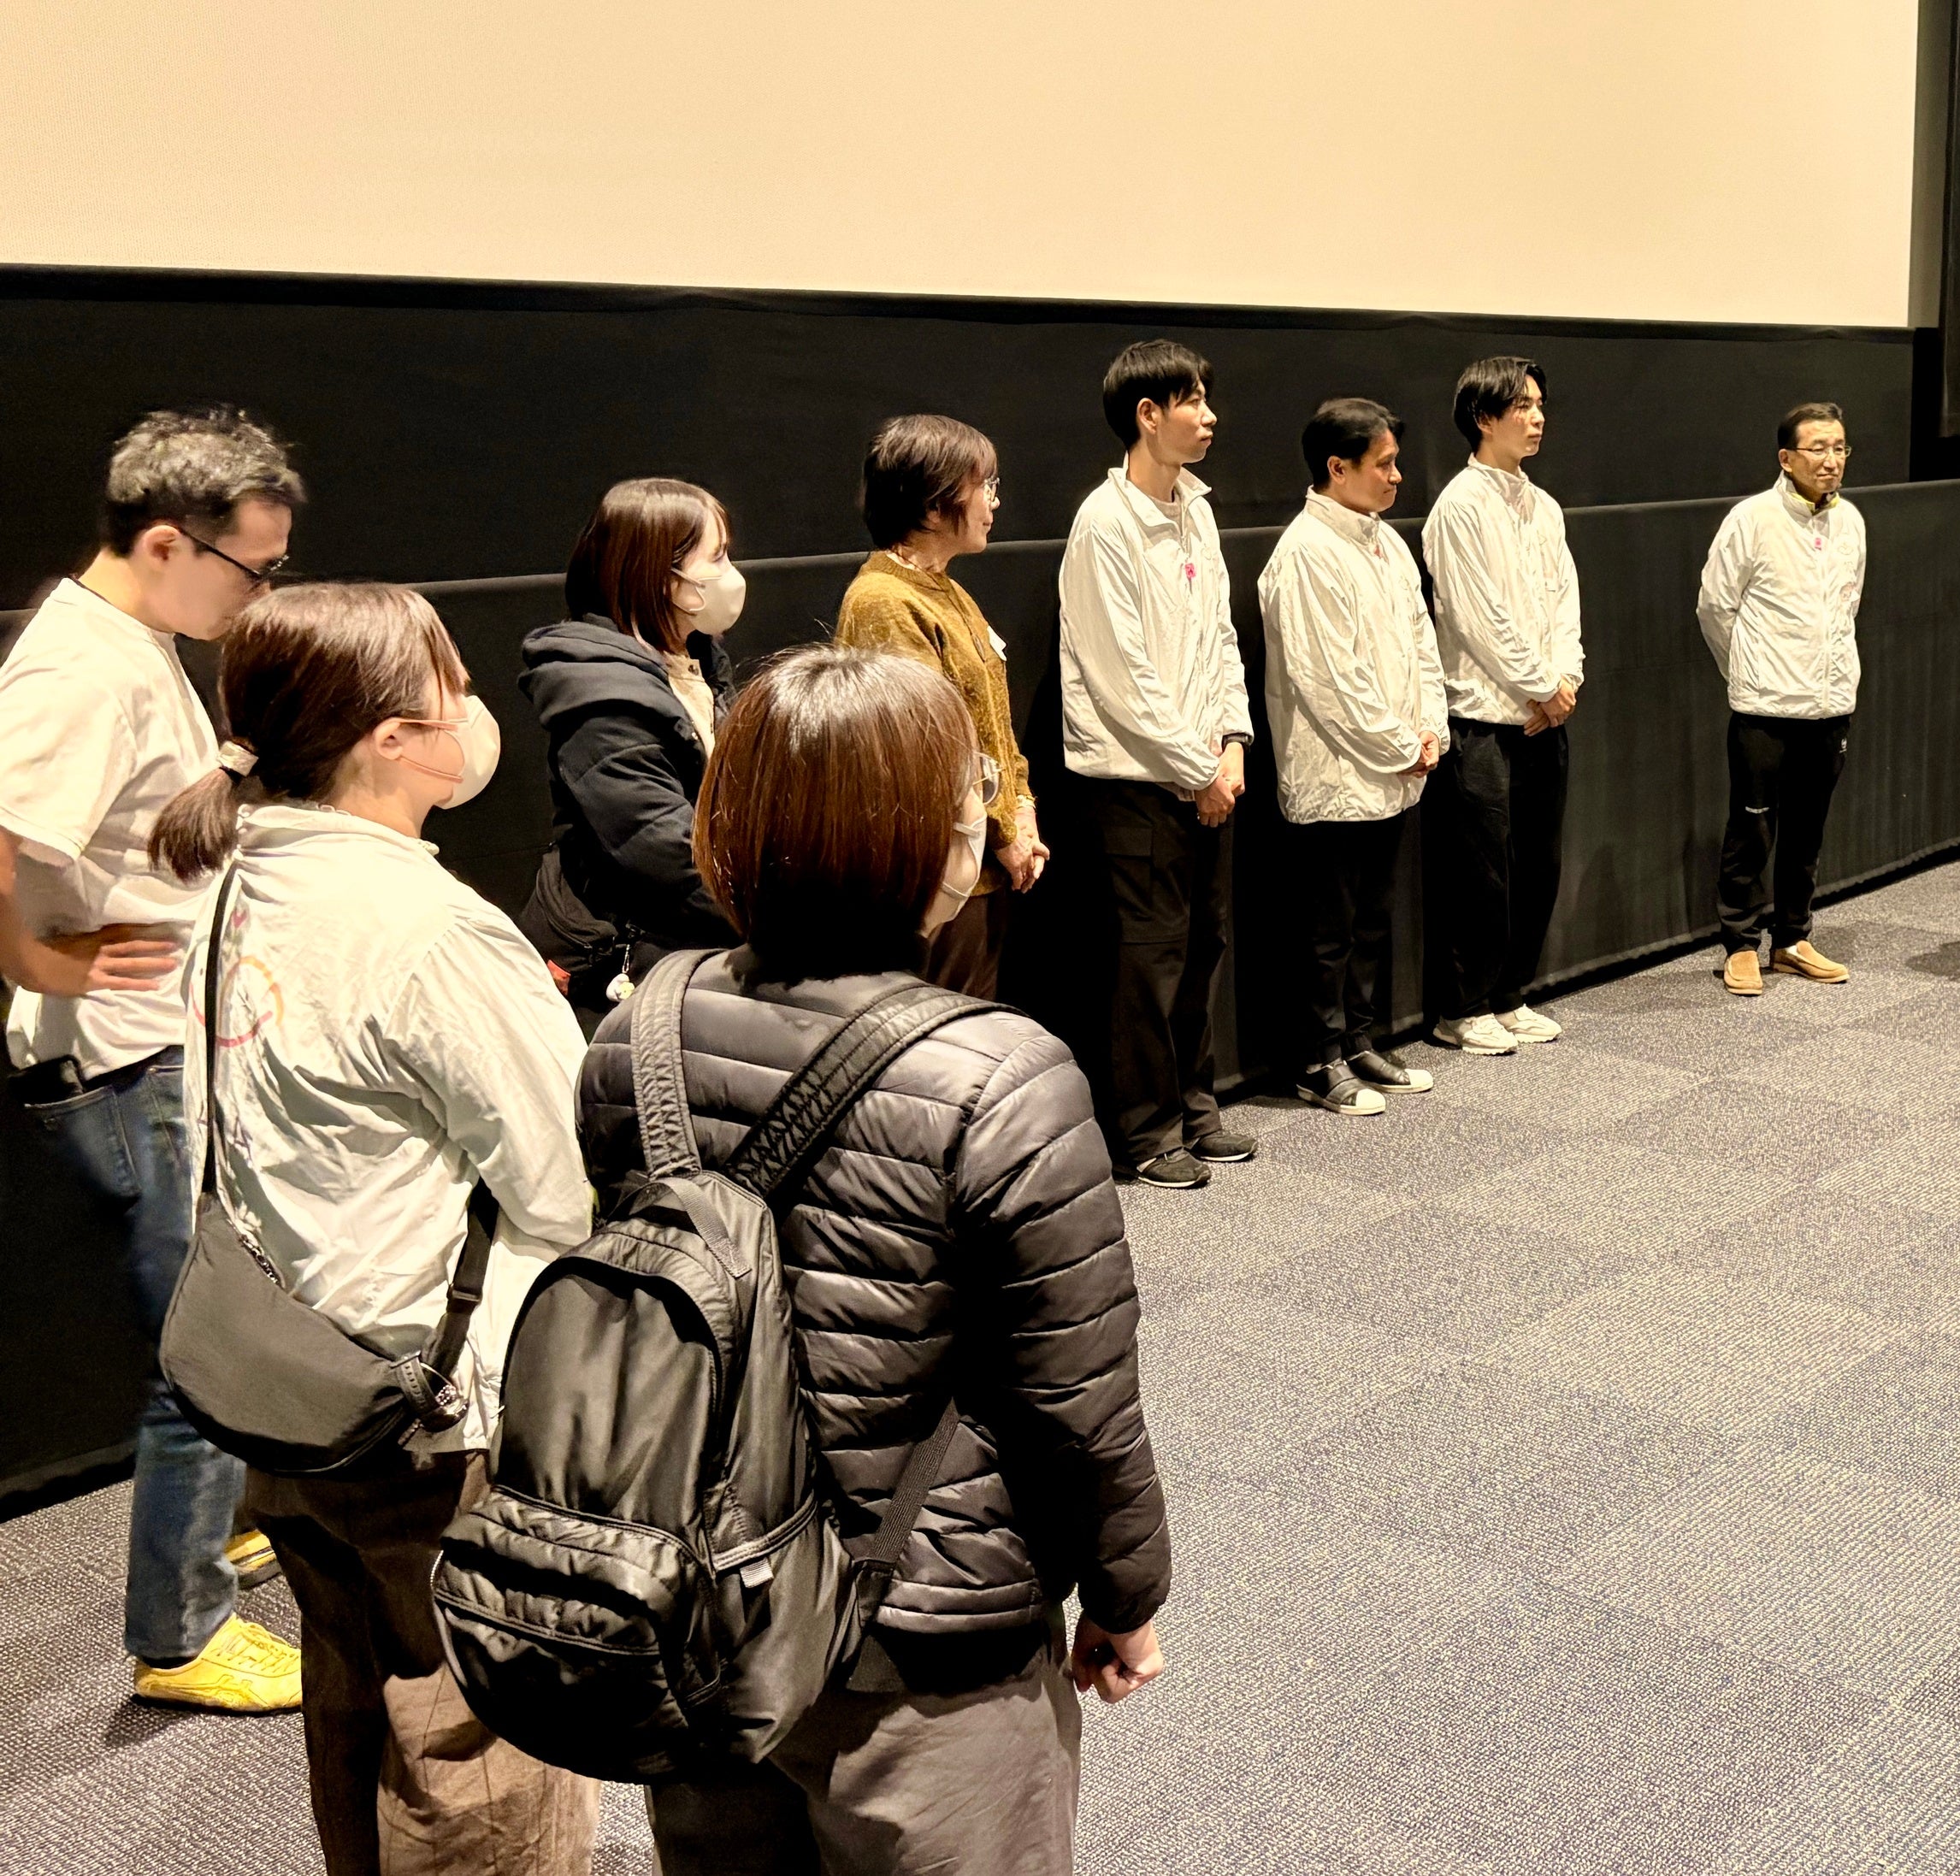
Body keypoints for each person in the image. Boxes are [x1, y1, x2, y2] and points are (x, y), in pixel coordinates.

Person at [590, 646, 1171, 1876]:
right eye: (967, 794)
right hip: (921, 1644)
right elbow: (1078, 1400)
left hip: (698, 1609)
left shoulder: (635, 1033)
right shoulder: (1003, 1076)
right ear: (915, 837)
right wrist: (1126, 1594)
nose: (979, 816)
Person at [156, 582, 599, 1873]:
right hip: (430, 1421)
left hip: (289, 1383)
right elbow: (566, 1183)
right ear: (392, 740)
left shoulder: (235, 887)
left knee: (351, 1705)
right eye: (450, 690)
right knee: (476, 1748)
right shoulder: (427, 927)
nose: (471, 711)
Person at [0, 405, 306, 1711]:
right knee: (202, 1347)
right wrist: (44, 960)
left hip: (161, 1047)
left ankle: (221, 1525)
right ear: (170, 541)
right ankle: (178, 1634)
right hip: (128, 1063)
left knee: (218, 1317)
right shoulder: (81, 669)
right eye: (253, 567)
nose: (263, 592)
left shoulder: (133, 641)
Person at [1014, 340, 1256, 1189]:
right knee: (1144, 966)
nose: (1209, 416)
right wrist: (1197, 768)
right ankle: (1146, 1131)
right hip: (1135, 786)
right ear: (1147, 415)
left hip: (1206, 776)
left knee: (1203, 948)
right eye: (1192, 400)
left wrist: (1233, 743)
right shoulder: (1103, 523)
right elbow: (1120, 676)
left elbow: (1221, 639)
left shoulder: (1198, 511)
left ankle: (1197, 1106)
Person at [1258, 398, 1449, 1114]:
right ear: (1337, 468)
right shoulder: (1306, 552)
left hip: (1394, 770)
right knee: (1327, 930)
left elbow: (1422, 644)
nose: (1397, 476)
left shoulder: (1386, 542)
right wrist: (1402, 744)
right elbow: (1329, 681)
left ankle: (1358, 1038)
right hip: (1336, 775)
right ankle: (1318, 1057)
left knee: (1371, 920)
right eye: (1384, 464)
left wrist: (1430, 729)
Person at [518, 477, 748, 1022]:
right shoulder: (601, 699)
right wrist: (793, 922)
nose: (731, 573)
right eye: (716, 556)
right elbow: (667, 854)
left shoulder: (698, 659)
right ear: (663, 577)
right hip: (624, 960)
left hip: (696, 934)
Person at [837, 415, 1045, 998]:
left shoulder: (947, 590)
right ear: (932, 507)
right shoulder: (882, 601)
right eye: (984, 486)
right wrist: (1004, 832)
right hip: (936, 876)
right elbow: (931, 748)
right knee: (942, 1028)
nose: (994, 502)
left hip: (981, 863)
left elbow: (994, 721)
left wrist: (1022, 809)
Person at [1423, 355, 1582, 1053]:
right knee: (1480, 873)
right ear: (1484, 418)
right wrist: (1540, 685)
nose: (1538, 417)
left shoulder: (1543, 505)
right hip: (1483, 719)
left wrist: (1565, 679)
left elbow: (1565, 602)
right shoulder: (1460, 506)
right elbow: (1477, 618)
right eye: (1523, 406)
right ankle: (1462, 1008)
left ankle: (1512, 994)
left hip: (1546, 716)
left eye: (1541, 404)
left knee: (1537, 865)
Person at [1699, 400, 1868, 996]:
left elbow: (1849, 606)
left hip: (1830, 705)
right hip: (1764, 709)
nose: (1831, 460)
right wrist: (1748, 672)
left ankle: (1793, 938)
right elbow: (1715, 607)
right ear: (1786, 457)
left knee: (1807, 831)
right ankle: (1741, 945)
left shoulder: (1852, 521)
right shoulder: (1752, 519)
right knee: (1752, 830)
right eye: (1818, 448)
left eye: (1840, 448)